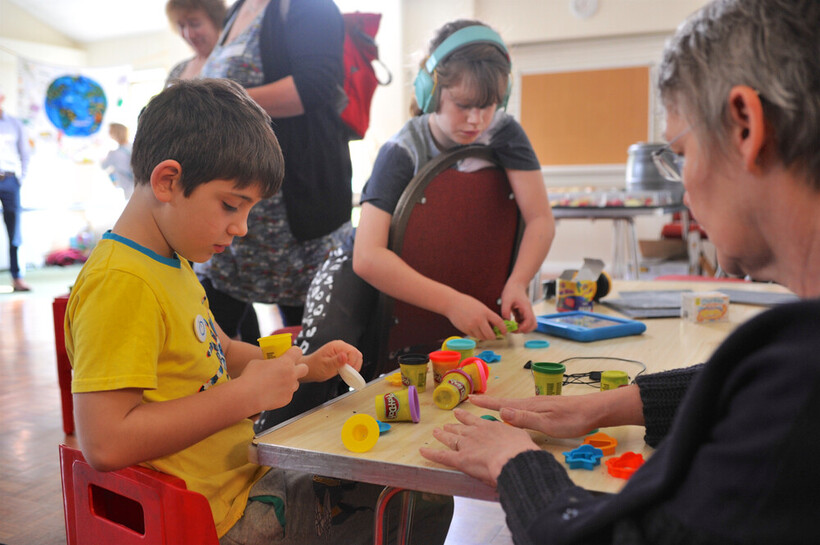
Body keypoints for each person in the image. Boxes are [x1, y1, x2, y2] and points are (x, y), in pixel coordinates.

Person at [420, 1, 820, 543]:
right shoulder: (791, 363)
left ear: (745, 126)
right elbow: (741, 388)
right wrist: (608, 405)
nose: (682, 186)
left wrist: (515, 464)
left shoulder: (799, 380)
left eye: (679, 153)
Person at [65, 79, 452, 544]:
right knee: (418, 498)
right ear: (168, 181)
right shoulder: (122, 283)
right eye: (232, 205)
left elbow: (220, 350)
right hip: (215, 517)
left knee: (415, 486)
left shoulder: (170, 262)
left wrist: (304, 366)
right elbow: (106, 442)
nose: (242, 227)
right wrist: (245, 397)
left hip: (243, 485)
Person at [255, 20, 556, 431]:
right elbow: (369, 256)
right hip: (358, 264)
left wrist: (518, 282)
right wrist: (452, 302)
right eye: (462, 104)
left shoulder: (506, 134)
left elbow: (540, 217)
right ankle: (276, 445)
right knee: (328, 354)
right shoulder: (402, 149)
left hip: (440, 274)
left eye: (487, 106)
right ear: (431, 91)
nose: (476, 119)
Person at [198, 0, 354, 341]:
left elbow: (313, 87)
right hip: (241, 210)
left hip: (293, 208)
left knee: (310, 338)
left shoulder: (308, 6)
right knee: (213, 333)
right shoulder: (237, 10)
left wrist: (218, 101)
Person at [0, 85, 31, 292]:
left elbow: (25, 153)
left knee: (14, 231)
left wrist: (20, 179)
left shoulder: (14, 124)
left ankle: (17, 277)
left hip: (10, 180)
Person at [165, 0, 225, 83]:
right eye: (181, 26)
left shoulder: (231, 65)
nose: (189, 35)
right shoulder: (177, 70)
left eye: (194, 24)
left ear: (216, 22)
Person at [101, 122, 134, 200]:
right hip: (138, 186)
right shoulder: (134, 147)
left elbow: (103, 166)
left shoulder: (114, 154)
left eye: (110, 132)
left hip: (128, 187)